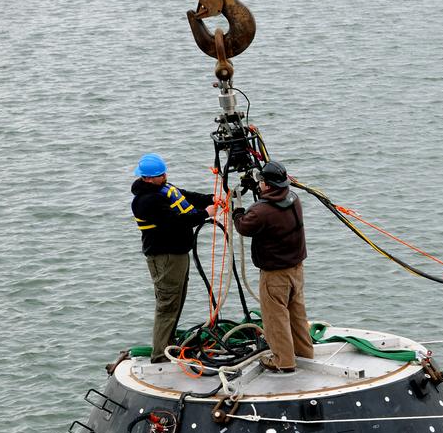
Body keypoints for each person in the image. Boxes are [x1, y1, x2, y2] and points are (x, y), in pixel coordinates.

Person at [131, 153, 216, 362]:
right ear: (148, 178)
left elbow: (186, 196)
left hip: (177, 255)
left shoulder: (162, 189)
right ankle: (160, 354)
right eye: (160, 174)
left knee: (176, 301)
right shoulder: (147, 201)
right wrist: (206, 213)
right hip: (165, 257)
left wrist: (211, 199)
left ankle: (168, 344)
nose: (165, 176)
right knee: (167, 305)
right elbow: (177, 221)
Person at [232, 160, 314, 374]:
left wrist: (237, 210)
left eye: (261, 182)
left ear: (267, 185)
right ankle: (305, 352)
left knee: (275, 317)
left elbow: (243, 225)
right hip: (296, 269)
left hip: (275, 274)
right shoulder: (294, 199)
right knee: (297, 313)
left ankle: (283, 361)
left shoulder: (261, 212)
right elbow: (268, 208)